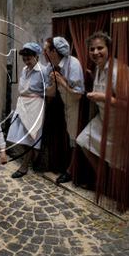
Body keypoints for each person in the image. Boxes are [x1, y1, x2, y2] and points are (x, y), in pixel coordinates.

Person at [76, 31, 122, 174]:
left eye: (100, 48)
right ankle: (102, 178)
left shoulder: (117, 71)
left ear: (109, 48)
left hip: (119, 124)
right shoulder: (98, 68)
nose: (95, 52)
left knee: (116, 163)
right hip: (103, 119)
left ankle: (113, 188)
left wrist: (102, 97)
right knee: (83, 140)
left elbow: (128, 104)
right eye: (92, 49)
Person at [43, 37, 85, 183]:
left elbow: (78, 94)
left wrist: (62, 81)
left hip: (75, 104)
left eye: (46, 49)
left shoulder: (73, 64)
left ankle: (71, 171)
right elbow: (49, 93)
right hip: (63, 104)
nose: (44, 52)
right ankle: (68, 168)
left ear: (54, 51)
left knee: (75, 138)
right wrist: (54, 84)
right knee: (69, 136)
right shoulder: (50, 66)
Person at [7, 42, 49, 178]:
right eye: (24, 59)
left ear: (36, 57)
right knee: (19, 136)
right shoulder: (25, 70)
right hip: (22, 105)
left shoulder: (43, 71)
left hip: (35, 106)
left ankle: (24, 166)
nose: (27, 62)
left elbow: (47, 91)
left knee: (30, 137)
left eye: (29, 59)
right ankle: (31, 158)